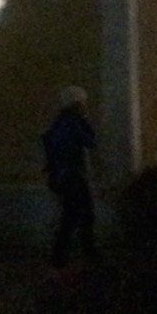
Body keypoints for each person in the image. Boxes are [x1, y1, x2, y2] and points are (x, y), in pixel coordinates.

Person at [42, 86, 98, 267]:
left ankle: (63, 254)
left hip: (64, 176)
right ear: (77, 104)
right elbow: (90, 141)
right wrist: (86, 121)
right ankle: (81, 253)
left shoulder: (59, 123)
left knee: (72, 215)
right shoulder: (73, 123)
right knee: (81, 215)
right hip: (74, 176)